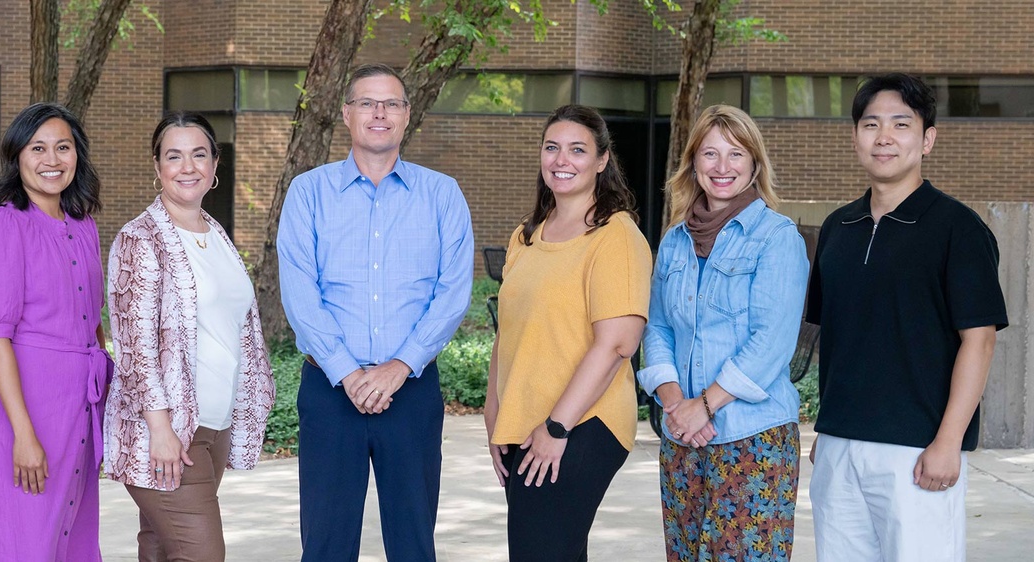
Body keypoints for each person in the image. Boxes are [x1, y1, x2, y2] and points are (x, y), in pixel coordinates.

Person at [277, 63, 474, 562]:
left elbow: (451, 295)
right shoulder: (308, 193)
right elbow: (301, 295)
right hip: (328, 393)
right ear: (347, 114)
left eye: (391, 103)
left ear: (408, 115)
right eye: (367, 102)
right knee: (324, 546)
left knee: (412, 545)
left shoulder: (442, 194)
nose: (379, 113)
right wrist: (349, 374)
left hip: (411, 394)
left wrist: (398, 367)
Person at [805, 73, 1006, 562]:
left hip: (917, 451)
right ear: (855, 137)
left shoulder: (958, 228)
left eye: (901, 123)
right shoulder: (838, 227)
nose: (884, 136)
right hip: (838, 446)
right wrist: (826, 431)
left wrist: (948, 441)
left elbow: (978, 342)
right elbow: (835, 338)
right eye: (871, 124)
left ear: (927, 138)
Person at [637, 104, 808, 561]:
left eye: (736, 154)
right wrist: (676, 404)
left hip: (754, 440)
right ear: (693, 161)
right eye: (710, 154)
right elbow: (658, 328)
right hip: (683, 440)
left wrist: (706, 405)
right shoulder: (674, 239)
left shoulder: (776, 237)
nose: (722, 167)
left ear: (755, 163)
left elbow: (771, 343)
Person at [104, 111, 276, 561]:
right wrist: (161, 428)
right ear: (157, 167)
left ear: (215, 165)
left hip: (215, 427)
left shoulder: (216, 234)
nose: (188, 166)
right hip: (168, 432)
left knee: (162, 548)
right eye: (174, 156)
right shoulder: (140, 239)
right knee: (202, 554)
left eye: (199, 154)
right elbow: (133, 344)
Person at [484, 104, 651, 561]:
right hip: (526, 423)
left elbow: (618, 343)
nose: (562, 159)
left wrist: (557, 427)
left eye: (577, 150)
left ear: (601, 160)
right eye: (552, 147)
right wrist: (496, 410)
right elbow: (511, 328)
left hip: (582, 424)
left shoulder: (616, 236)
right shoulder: (528, 235)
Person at [0, 103, 112, 562]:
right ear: (18, 157)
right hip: (29, 409)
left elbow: (93, 322)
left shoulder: (83, 226)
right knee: (26, 540)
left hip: (79, 409)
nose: (52, 159)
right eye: (38, 148)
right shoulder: (4, 223)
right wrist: (23, 434)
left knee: (72, 535)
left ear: (77, 156)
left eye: (63, 147)